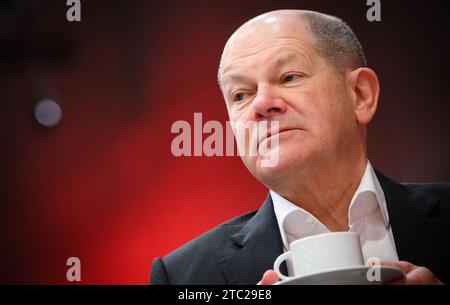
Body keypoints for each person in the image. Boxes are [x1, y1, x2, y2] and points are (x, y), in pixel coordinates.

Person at [150, 9, 449, 285]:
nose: (262, 104)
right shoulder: (183, 277)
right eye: (240, 95)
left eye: (288, 77)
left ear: (360, 95)